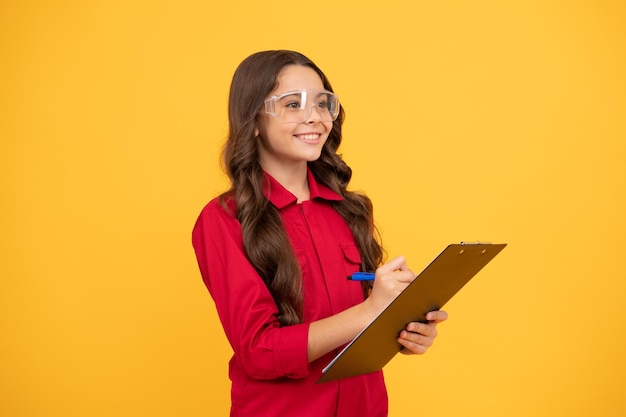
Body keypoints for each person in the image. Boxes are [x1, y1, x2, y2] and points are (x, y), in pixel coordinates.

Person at [191, 50, 448, 417]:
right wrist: (368, 312)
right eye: (293, 104)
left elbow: (360, 326)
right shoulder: (224, 220)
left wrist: (401, 327)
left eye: (323, 103)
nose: (315, 118)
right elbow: (259, 350)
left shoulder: (351, 209)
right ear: (255, 120)